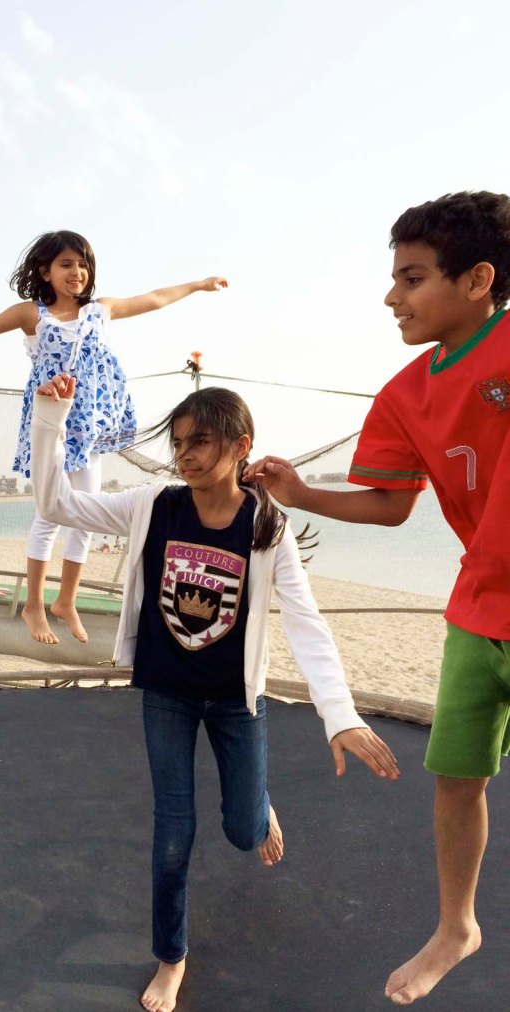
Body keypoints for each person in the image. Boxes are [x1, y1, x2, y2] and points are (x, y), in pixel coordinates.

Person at [31, 375, 400, 1012]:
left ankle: (258, 805)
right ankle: (171, 958)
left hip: (235, 701)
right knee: (173, 834)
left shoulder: (267, 528)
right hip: (167, 693)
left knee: (240, 829)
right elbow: (56, 504)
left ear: (240, 446)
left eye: (200, 442)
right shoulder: (154, 505)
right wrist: (50, 419)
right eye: (179, 444)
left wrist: (338, 714)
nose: (186, 455)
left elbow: (306, 622)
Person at [244, 190, 510, 1006]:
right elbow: (390, 504)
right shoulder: (401, 394)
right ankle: (454, 926)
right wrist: (299, 490)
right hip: (479, 608)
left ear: (477, 281)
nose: (391, 295)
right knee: (457, 778)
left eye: (412, 277)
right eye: (392, 277)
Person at [0, 230, 227, 646]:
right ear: (45, 270)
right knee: (49, 514)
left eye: (83, 265)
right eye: (67, 264)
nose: (77, 272)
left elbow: (154, 297)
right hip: (53, 422)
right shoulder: (33, 314)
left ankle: (66, 601)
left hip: (90, 426)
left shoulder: (100, 311)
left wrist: (197, 285)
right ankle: (33, 603)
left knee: (87, 512)